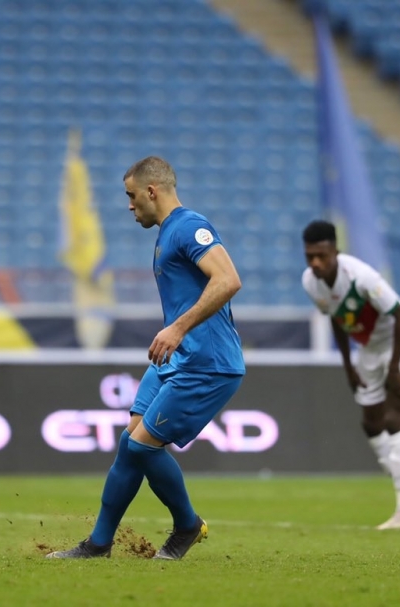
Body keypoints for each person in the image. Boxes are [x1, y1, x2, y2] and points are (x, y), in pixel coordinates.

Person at [47, 156, 245, 560]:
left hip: (207, 361)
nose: (129, 204)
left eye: (132, 195)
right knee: (130, 442)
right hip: (178, 358)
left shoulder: (190, 227)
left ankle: (187, 524)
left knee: (141, 448)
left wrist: (176, 328)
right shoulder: (168, 232)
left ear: (152, 191)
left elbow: (228, 280)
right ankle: (99, 544)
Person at [301, 220, 400, 530]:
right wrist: (348, 366)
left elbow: (399, 315)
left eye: (321, 255)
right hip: (371, 346)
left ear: (336, 251)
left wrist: (396, 367)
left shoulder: (361, 276)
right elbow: (336, 318)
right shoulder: (310, 282)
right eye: (310, 257)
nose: (316, 263)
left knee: (393, 417)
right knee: (371, 423)